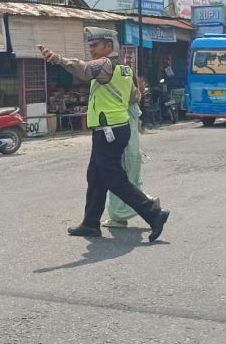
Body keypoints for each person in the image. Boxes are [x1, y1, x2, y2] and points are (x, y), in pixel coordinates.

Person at [41, 27, 170, 242]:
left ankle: (154, 213)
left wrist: (58, 59)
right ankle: (91, 223)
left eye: (95, 45)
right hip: (116, 128)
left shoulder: (104, 64)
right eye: (90, 46)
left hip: (108, 130)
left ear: (109, 47)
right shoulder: (125, 70)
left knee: (114, 179)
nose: (91, 49)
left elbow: (81, 68)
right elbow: (134, 97)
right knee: (95, 177)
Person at [105, 73, 145, 228]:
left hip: (126, 151)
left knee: (119, 186)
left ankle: (121, 216)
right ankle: (149, 205)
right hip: (134, 151)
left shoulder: (123, 106)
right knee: (131, 185)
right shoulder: (134, 103)